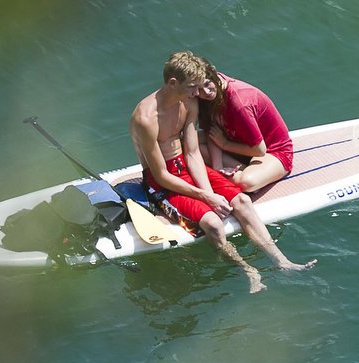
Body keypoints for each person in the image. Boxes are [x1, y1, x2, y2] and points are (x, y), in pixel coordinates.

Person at [130, 51, 315, 293]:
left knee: (241, 200)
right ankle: (248, 271)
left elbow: (193, 154)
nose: (197, 93)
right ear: (173, 83)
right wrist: (206, 198)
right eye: (192, 87)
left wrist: (209, 191)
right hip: (162, 181)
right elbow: (162, 175)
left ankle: (282, 262)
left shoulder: (188, 102)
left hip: (186, 168)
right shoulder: (146, 118)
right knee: (214, 224)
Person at [196, 57, 293, 195]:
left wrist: (225, 144)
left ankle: (251, 174)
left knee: (246, 183)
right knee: (189, 145)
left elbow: (260, 150)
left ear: (214, 74)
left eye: (207, 84)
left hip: (272, 150)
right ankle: (242, 170)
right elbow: (211, 132)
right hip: (237, 141)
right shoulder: (204, 98)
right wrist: (219, 167)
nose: (205, 92)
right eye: (199, 89)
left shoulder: (239, 103)